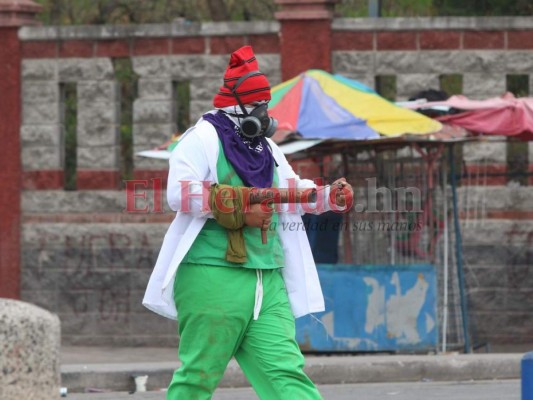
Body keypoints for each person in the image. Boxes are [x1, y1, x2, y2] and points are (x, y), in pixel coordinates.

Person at [143, 45, 353, 400]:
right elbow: (180, 194)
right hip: (213, 275)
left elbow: (289, 190)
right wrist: (241, 208)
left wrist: (327, 196)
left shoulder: (265, 148)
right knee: (197, 379)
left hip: (267, 279)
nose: (264, 113)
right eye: (258, 105)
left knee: (287, 376)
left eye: (266, 105)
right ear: (237, 107)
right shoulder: (203, 138)